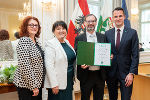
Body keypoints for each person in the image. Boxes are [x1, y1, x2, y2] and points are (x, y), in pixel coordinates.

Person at [105, 7, 139, 100]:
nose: (118, 18)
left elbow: (135, 55)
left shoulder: (132, 33)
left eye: (120, 16)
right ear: (113, 18)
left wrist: (131, 73)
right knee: (112, 98)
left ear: (124, 17)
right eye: (115, 16)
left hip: (126, 73)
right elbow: (105, 51)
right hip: (111, 73)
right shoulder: (107, 33)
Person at [74, 14, 106, 100]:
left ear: (96, 23)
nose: (90, 23)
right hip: (85, 75)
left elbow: (106, 51)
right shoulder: (79, 38)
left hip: (100, 74)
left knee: (99, 98)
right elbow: (77, 53)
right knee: (85, 98)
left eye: (93, 21)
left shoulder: (103, 36)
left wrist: (109, 56)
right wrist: (81, 62)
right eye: (88, 21)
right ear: (84, 23)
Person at [13, 16, 45, 100]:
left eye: (36, 25)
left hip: (37, 83)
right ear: (25, 27)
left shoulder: (37, 41)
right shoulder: (24, 40)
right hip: (27, 85)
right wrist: (33, 86)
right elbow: (25, 65)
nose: (34, 27)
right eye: (31, 25)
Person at [44, 21, 76, 100]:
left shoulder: (67, 42)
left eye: (63, 28)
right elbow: (49, 66)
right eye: (58, 29)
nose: (61, 31)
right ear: (53, 32)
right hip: (58, 83)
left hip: (68, 81)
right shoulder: (50, 44)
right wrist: (54, 84)